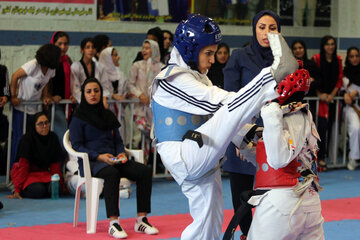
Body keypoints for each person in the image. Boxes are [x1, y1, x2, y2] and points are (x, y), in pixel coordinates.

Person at [150, 14, 298, 240]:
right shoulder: (172, 79)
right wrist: (268, 91)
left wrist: (250, 138)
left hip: (200, 154)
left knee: (209, 223)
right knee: (228, 108)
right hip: (183, 154)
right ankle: (271, 75)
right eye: (208, 53)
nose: (213, 59)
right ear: (190, 51)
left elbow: (221, 117)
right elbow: (221, 104)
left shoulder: (197, 77)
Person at [69, 78, 158, 239]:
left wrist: (121, 153)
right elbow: (76, 146)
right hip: (92, 162)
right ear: (83, 94)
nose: (93, 94)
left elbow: (117, 141)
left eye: (96, 90)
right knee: (112, 174)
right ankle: (114, 223)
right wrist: (99, 157)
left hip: (113, 159)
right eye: (88, 91)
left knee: (144, 171)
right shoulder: (78, 118)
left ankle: (141, 220)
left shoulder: (108, 115)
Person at [243, 67, 324, 240]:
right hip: (308, 202)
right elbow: (269, 161)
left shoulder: (289, 115)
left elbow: (278, 159)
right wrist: (243, 141)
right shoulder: (301, 115)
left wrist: (269, 112)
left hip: (282, 202)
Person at [222, 10, 280, 239]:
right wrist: (239, 135)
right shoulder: (238, 56)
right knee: (242, 195)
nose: (267, 32)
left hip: (276, 135)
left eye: (272, 27)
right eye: (262, 27)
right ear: (254, 29)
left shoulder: (283, 60)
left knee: (275, 194)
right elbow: (231, 99)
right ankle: (246, 235)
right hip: (243, 133)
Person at [10, 44, 61, 167]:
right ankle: (14, 169)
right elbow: (14, 76)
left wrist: (46, 96)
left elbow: (46, 83)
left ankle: (28, 169)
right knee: (19, 139)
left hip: (35, 109)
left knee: (33, 141)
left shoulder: (51, 69)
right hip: (22, 107)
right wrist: (13, 97)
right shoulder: (33, 65)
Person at [7, 112, 66, 199]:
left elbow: (55, 166)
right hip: (28, 174)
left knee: (55, 189)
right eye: (40, 124)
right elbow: (23, 166)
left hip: (45, 174)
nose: (45, 126)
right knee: (38, 191)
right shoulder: (27, 139)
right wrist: (17, 190)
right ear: (34, 126)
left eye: (46, 122)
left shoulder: (53, 137)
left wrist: (60, 183)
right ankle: (20, 188)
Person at [311, 35, 343, 171]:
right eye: (327, 44)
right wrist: (320, 95)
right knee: (320, 128)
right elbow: (315, 79)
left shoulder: (338, 60)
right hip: (319, 99)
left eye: (332, 44)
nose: (330, 46)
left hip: (332, 99)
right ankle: (319, 158)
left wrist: (332, 95)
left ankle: (327, 157)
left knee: (331, 127)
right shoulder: (316, 59)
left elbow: (339, 79)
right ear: (323, 46)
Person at [128, 39, 162, 156]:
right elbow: (130, 84)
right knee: (142, 128)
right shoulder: (137, 65)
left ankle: (148, 161)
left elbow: (162, 86)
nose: (144, 50)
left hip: (153, 108)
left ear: (154, 49)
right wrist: (140, 94)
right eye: (143, 48)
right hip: (140, 107)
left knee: (150, 136)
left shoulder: (161, 67)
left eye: (147, 48)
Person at [50, 31, 76, 149]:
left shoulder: (68, 60)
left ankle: (64, 165)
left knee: (67, 137)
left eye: (65, 44)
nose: (63, 47)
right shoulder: (49, 60)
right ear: (53, 43)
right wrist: (50, 96)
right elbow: (45, 81)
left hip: (66, 104)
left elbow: (71, 80)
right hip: (54, 105)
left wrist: (72, 94)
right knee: (62, 138)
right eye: (59, 43)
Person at [71, 37, 111, 107]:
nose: (90, 50)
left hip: (97, 103)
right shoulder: (75, 66)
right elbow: (75, 89)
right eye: (87, 47)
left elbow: (105, 86)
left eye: (93, 47)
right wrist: (86, 101)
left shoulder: (100, 67)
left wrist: (104, 99)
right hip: (81, 104)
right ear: (82, 50)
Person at [99, 46, 128, 140]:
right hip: (105, 111)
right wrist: (111, 95)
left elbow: (124, 90)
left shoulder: (121, 74)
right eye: (115, 55)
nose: (118, 57)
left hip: (119, 112)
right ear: (107, 58)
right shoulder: (100, 74)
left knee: (120, 137)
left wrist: (126, 94)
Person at [291, 39, 321, 116]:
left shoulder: (312, 64)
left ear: (304, 49)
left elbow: (319, 80)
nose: (298, 50)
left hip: (310, 101)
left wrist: (310, 82)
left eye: (300, 48)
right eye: (295, 48)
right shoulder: (290, 66)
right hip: (294, 102)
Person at [342, 47, 360, 170]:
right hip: (351, 107)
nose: (354, 59)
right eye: (351, 56)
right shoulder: (344, 73)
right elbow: (341, 89)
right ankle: (354, 158)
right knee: (355, 128)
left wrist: (357, 92)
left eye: (357, 56)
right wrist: (345, 94)